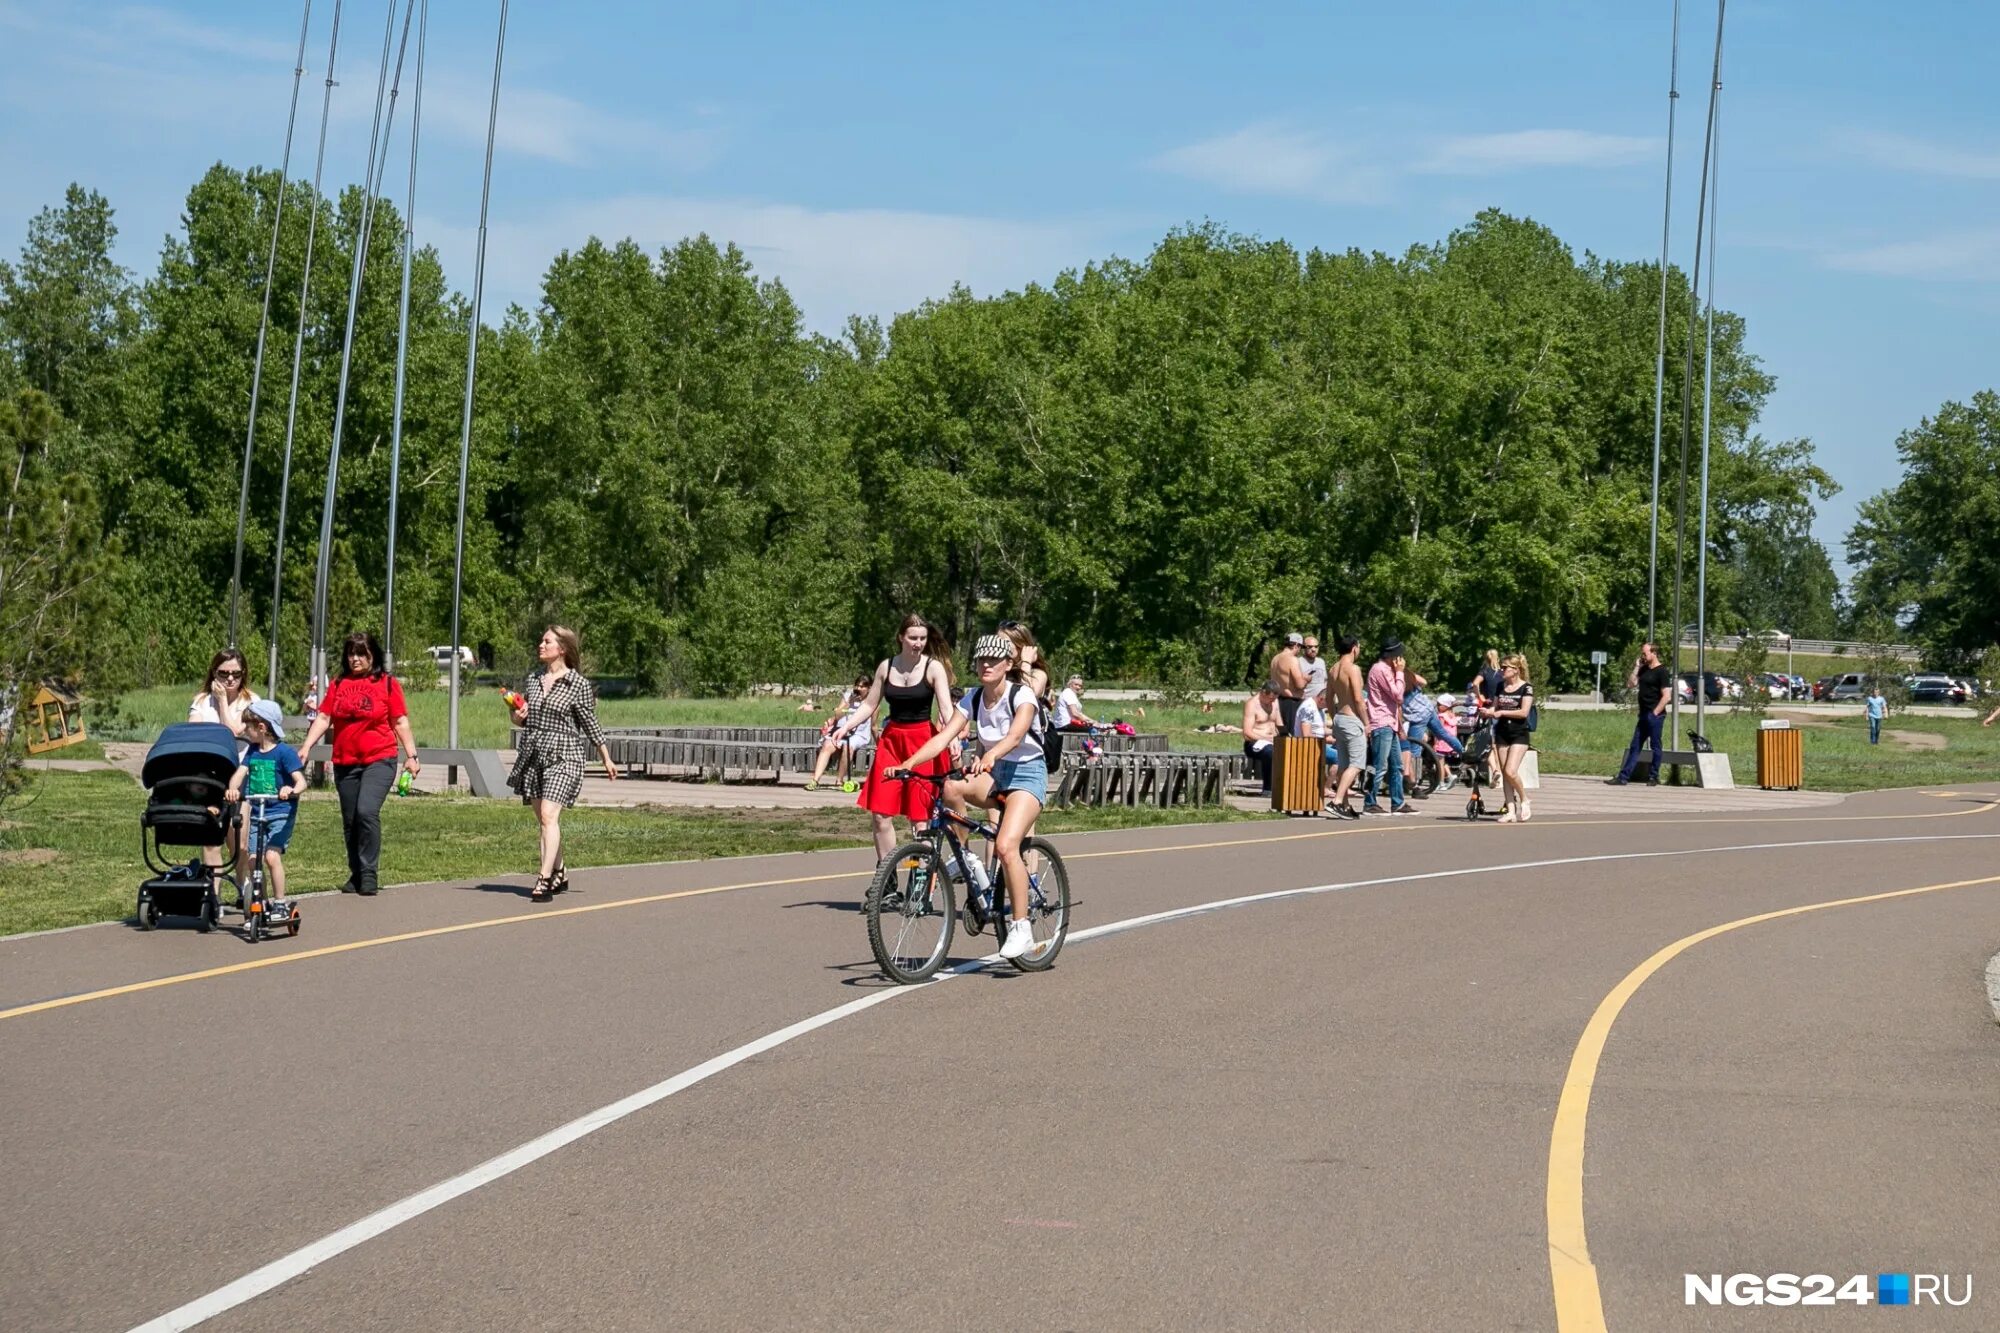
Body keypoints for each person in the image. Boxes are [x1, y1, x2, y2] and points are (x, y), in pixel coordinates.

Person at [890, 634, 1047, 962]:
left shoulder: (1023, 695)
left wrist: (992, 756)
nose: (986, 665)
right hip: (995, 774)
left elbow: (1016, 735)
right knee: (950, 788)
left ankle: (1021, 927)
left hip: (1027, 775)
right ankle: (967, 857)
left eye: (993, 660)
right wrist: (908, 764)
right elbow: (943, 737)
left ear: (1008, 664)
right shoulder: (973, 698)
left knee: (1005, 846)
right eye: (980, 660)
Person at [297, 632, 421, 897]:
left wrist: (411, 756)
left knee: (366, 811)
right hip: (345, 762)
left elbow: (399, 721)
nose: (355, 659)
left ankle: (369, 873)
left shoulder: (387, 683)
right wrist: (306, 747)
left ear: (372, 655)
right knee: (351, 820)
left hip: (380, 758)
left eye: (361, 654)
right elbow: (324, 717)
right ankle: (355, 871)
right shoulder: (339, 684)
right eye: (351, 654)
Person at [831, 615, 957, 862]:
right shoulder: (886, 667)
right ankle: (887, 880)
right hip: (891, 741)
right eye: (912, 638)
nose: (918, 643)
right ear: (901, 638)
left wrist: (951, 735)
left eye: (922, 638)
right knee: (880, 814)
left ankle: (920, 876)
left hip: (922, 742)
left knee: (920, 816)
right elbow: (869, 705)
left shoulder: (933, 668)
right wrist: (846, 727)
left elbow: (945, 707)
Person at [507, 625, 619, 902]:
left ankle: (543, 880)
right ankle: (560, 871)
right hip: (534, 753)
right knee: (544, 821)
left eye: (547, 641)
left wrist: (606, 756)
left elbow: (590, 723)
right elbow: (522, 719)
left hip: (565, 755)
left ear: (562, 649)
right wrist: (517, 715)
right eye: (541, 640)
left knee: (548, 815)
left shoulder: (577, 684)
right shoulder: (533, 679)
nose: (541, 645)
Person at [222, 699, 305, 908]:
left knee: (270, 856)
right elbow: (239, 775)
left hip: (280, 813)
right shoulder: (252, 751)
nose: (245, 731)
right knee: (252, 860)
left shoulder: (284, 753)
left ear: (261, 727)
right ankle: (262, 900)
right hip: (258, 812)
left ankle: (279, 901)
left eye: (247, 727)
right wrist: (232, 789)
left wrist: (290, 790)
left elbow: (301, 782)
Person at [188, 647, 259, 886]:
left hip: (240, 777)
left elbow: (235, 732)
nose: (229, 679)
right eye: (223, 673)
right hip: (209, 777)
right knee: (211, 839)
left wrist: (221, 703)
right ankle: (213, 896)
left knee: (237, 840)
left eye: (236, 674)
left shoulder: (251, 702)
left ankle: (242, 881)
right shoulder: (201, 701)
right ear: (213, 673)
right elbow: (194, 732)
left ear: (244, 675)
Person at [1479, 653, 1536, 823]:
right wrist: (1488, 712)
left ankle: (1525, 798)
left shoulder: (1526, 688)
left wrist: (1502, 712)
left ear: (1516, 670)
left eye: (1505, 668)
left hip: (1519, 733)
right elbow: (1495, 707)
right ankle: (1510, 810)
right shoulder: (1500, 686)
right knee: (1505, 773)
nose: (1502, 670)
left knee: (1511, 770)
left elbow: (1523, 712)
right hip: (1502, 732)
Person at [1610, 642, 1672, 784]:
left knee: (1656, 745)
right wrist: (1637, 666)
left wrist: (1655, 713)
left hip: (1655, 715)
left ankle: (1653, 776)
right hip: (1643, 714)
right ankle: (1623, 777)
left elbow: (1666, 696)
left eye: (1645, 653)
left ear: (1654, 653)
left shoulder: (1662, 671)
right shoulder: (1643, 669)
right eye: (1642, 653)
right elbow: (1631, 684)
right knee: (1635, 745)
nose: (1642, 656)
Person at [1364, 640, 1413, 815]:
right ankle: (1369, 802)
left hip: (1390, 723)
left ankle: (1397, 802)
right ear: (1391, 655)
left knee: (1397, 765)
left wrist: (1399, 726)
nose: (1400, 660)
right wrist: (1399, 673)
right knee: (1379, 765)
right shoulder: (1380, 669)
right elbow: (1398, 695)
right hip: (1381, 722)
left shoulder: (1387, 670)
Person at [1324, 635, 1368, 819]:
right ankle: (1337, 801)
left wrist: (1335, 719)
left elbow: (1328, 698)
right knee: (1357, 764)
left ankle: (1345, 805)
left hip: (1339, 718)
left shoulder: (1334, 669)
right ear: (1354, 648)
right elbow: (1358, 698)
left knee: (1344, 764)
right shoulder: (1353, 668)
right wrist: (1366, 723)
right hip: (1351, 718)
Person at [807, 674, 875, 792]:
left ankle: (839, 780)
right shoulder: (848, 696)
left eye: (862, 686)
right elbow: (837, 716)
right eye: (857, 685)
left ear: (869, 688)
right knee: (827, 745)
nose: (858, 689)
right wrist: (848, 703)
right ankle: (815, 780)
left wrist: (879, 741)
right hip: (841, 731)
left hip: (859, 734)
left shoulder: (872, 701)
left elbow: (874, 725)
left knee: (848, 747)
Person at [1241, 682, 1281, 794]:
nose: (1272, 702)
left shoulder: (1275, 702)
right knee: (1270, 752)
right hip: (1254, 743)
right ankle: (1268, 789)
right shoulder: (1252, 704)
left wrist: (1285, 736)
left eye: (1274, 699)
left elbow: (1279, 723)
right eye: (1270, 699)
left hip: (1273, 739)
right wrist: (1267, 739)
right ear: (1263, 693)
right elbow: (1247, 732)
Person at [1268, 632, 1308, 733]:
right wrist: (1307, 679)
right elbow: (1300, 684)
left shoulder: (1275, 659)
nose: (1299, 650)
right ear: (1296, 645)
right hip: (1291, 702)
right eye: (1300, 647)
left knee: (1281, 736)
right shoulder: (1292, 659)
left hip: (1278, 700)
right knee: (1292, 738)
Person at [1299, 635, 1327, 708]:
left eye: (1316, 646)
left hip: (1321, 704)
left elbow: (1325, 681)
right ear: (1303, 648)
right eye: (1310, 647)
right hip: (1306, 704)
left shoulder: (1321, 662)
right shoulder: (1298, 662)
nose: (1313, 649)